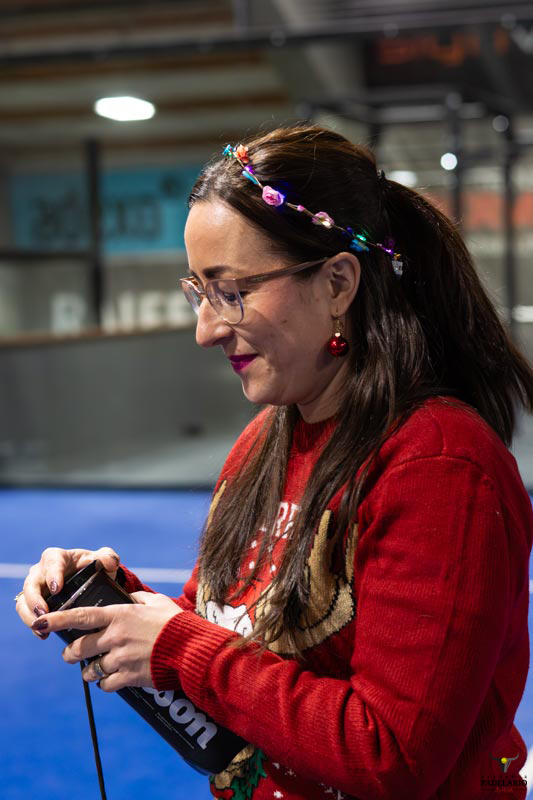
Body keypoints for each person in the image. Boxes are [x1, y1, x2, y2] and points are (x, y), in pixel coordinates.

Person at [16, 123, 533, 800]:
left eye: (231, 291)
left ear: (337, 283)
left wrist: (176, 647)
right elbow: (232, 636)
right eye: (199, 292)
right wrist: (121, 604)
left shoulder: (439, 466)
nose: (206, 329)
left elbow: (392, 757)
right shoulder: (265, 440)